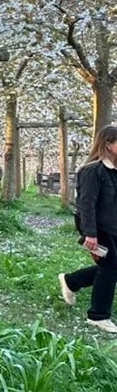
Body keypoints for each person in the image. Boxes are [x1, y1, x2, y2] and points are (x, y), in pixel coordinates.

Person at [58, 124, 117, 333]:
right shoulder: (92, 170)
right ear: (108, 144)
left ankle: (71, 281)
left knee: (111, 267)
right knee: (110, 267)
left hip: (113, 226)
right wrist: (90, 233)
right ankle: (98, 315)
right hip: (97, 227)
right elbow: (86, 204)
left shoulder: (114, 171)